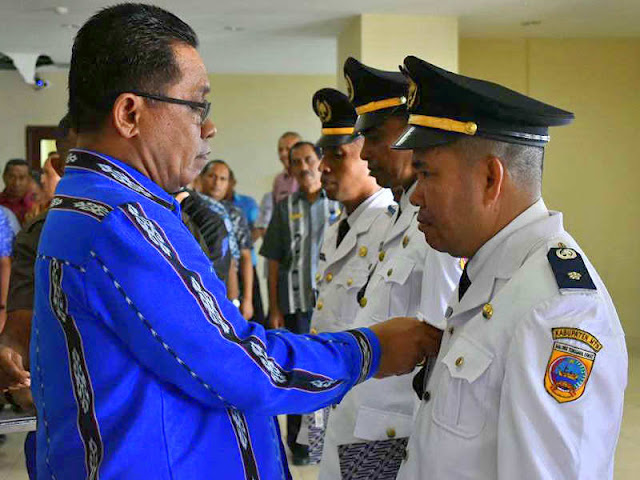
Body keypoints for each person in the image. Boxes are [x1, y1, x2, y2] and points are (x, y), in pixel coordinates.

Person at [30, 5, 439, 478]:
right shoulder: (121, 221)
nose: (207, 128)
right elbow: (240, 365)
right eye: (196, 106)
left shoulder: (95, 207)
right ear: (129, 113)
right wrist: (369, 351)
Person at [392, 55, 628, 479]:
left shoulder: (557, 310)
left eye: (426, 174)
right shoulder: (492, 270)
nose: (414, 196)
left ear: (489, 179)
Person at [316, 58, 462, 479]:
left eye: (375, 137)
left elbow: (440, 346)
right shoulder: (399, 216)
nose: (366, 152)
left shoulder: (435, 224)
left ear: (413, 133)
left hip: (390, 437)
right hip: (360, 422)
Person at [300, 87, 397, 464]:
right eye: (324, 153)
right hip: (329, 397)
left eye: (337, 155)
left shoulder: (394, 227)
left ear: (367, 158)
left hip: (370, 413)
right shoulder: (336, 225)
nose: (322, 166)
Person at [260, 140, 340, 464]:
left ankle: (326, 443)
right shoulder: (284, 208)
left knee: (329, 372)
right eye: (297, 162)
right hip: (293, 306)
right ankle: (300, 446)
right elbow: (275, 261)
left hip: (331, 303)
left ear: (320, 161)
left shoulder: (337, 205)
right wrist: (275, 308)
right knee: (296, 373)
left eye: (309, 159)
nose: (304, 166)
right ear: (290, 169)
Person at [199, 160, 255, 320]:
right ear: (201, 177)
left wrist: (248, 300)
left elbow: (245, 256)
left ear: (229, 184)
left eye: (223, 179)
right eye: (212, 176)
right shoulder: (189, 206)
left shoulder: (234, 213)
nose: (217, 183)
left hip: (230, 285)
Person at [0, 159, 35, 225]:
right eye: (12, 177)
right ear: (4, 177)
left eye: (22, 178)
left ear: (29, 179)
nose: (16, 183)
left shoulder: (36, 204)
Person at [272, 131, 301, 205]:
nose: (283, 154)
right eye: (280, 150)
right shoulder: (279, 180)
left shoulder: (313, 177)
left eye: (288, 149)